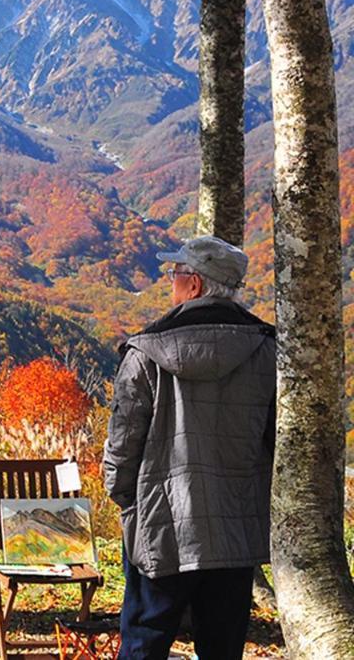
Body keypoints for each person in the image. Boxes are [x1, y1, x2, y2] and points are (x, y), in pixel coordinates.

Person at [104, 235, 276, 659]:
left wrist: (128, 504)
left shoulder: (146, 352)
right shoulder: (268, 350)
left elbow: (123, 446)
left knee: (144, 642)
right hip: (235, 529)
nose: (171, 281)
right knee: (222, 648)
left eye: (176, 274)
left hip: (161, 525)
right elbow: (276, 443)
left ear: (195, 285)